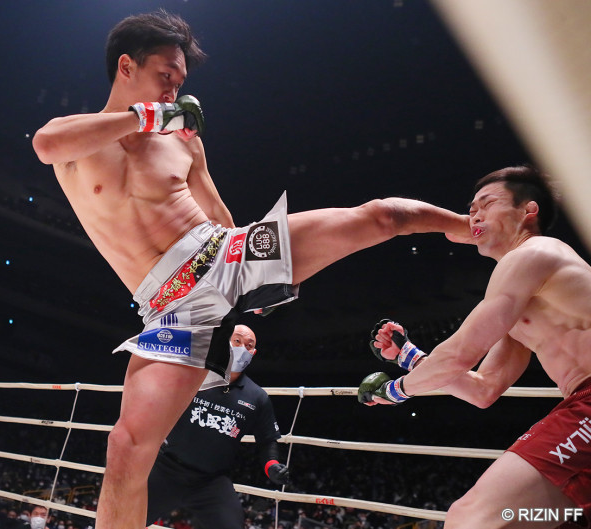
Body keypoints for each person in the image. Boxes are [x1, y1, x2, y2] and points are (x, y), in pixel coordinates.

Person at [32, 10, 470, 529]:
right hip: (171, 305)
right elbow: (45, 145)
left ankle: (475, 229)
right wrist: (146, 117)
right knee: (126, 448)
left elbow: (219, 216)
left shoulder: (183, 140)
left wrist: (261, 282)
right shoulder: (76, 138)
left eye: (179, 82)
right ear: (127, 66)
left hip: (225, 252)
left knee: (382, 217)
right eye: (165, 75)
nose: (174, 91)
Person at [359, 166, 591, 528]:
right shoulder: (521, 295)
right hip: (581, 404)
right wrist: (410, 357)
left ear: (528, 210)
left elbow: (458, 355)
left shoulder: (535, 254)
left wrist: (395, 391)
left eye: (487, 204)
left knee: (472, 518)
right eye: (471, 209)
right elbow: (483, 389)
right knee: (548, 520)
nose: (474, 215)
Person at [146, 325, 289, 528]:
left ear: (253, 353)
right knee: (123, 519)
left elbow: (267, 440)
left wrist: (272, 466)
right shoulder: (193, 374)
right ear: (224, 341)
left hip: (211, 481)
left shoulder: (257, 397)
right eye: (237, 341)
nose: (242, 348)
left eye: (249, 346)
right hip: (167, 469)